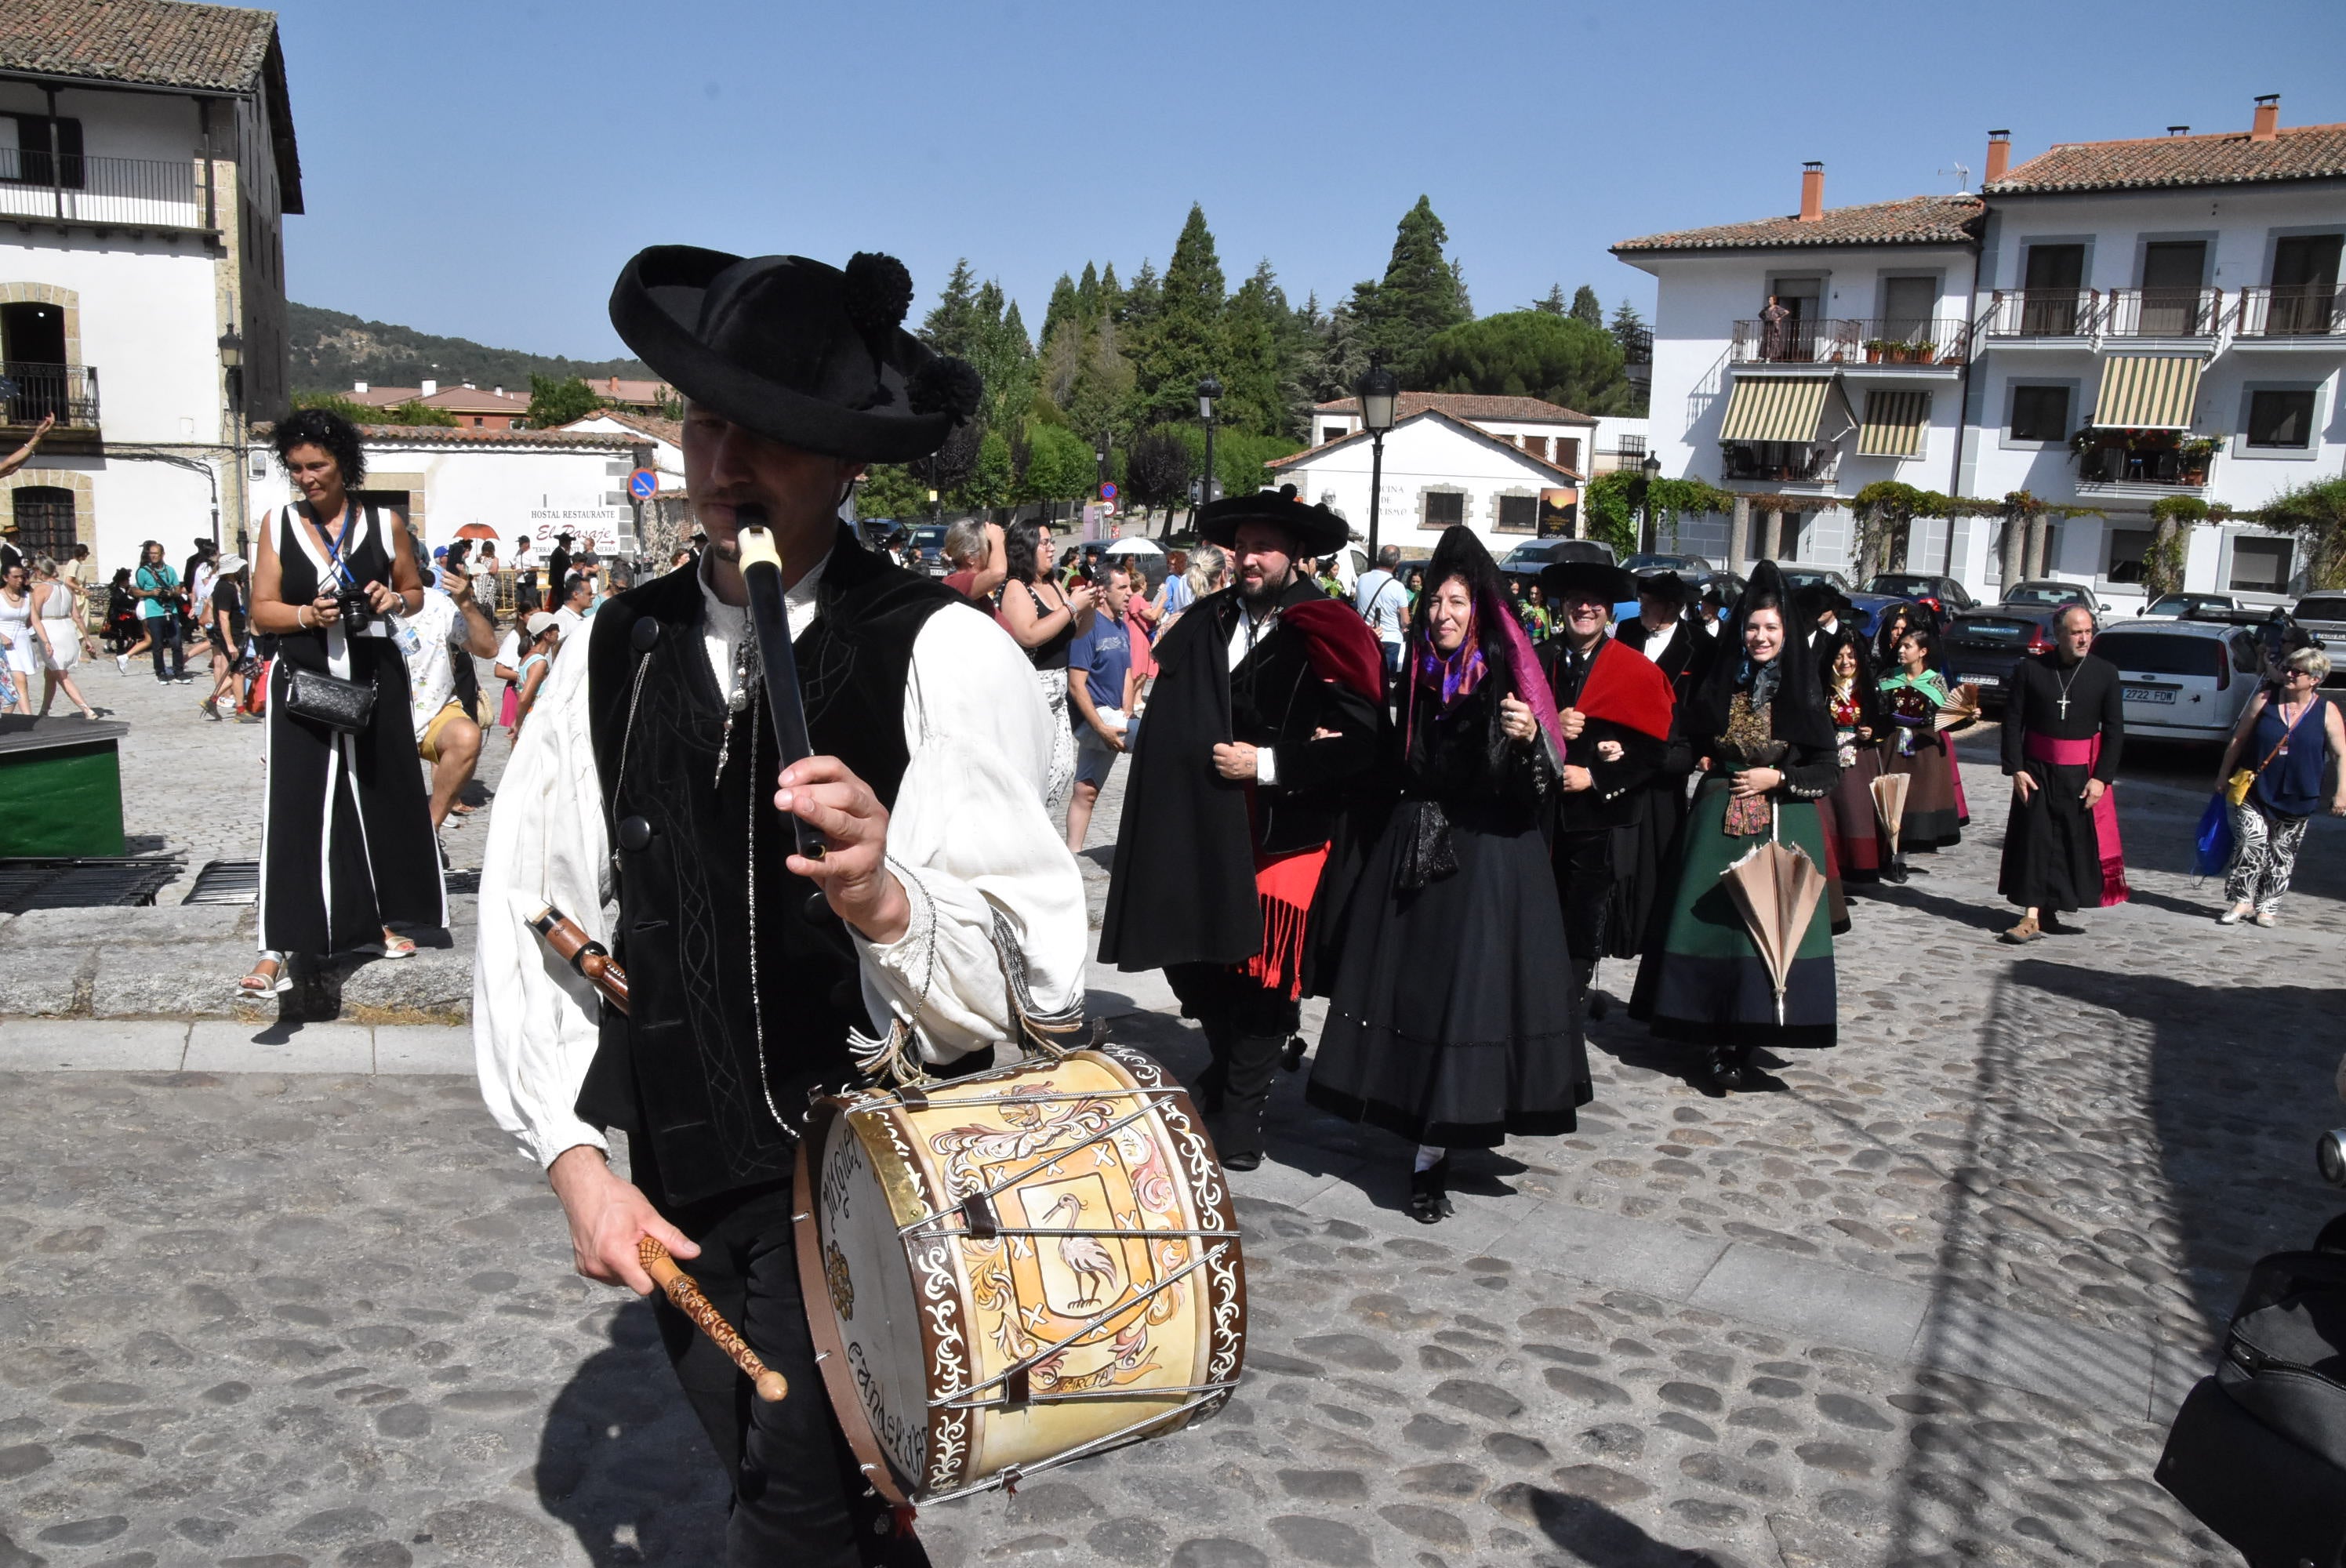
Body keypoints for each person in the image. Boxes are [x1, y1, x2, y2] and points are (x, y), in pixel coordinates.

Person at [474, 243, 1083, 1568]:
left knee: (795, 1512)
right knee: (818, 1503)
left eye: (773, 433)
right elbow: (535, 907)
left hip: (872, 1192)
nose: (725, 459)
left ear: (847, 461)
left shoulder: (943, 652)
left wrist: (887, 898)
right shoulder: (613, 645)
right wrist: (577, 1167)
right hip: (679, 1177)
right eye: (705, 420)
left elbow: (1035, 978)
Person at [1098, 485, 1382, 1171]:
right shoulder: (1211, 616)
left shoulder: (1330, 623)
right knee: (1189, 958)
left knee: (1261, 972)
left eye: (1265, 547)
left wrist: (1272, 762)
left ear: (1296, 554)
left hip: (1286, 830)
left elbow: (1368, 740)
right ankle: (1238, 1070)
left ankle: (1241, 1112)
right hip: (1202, 822)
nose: (1249, 559)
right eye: (1243, 545)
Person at [1309, 527, 1588, 1222]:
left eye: (1457, 602)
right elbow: (1388, 762)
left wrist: (1525, 745)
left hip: (1489, 863)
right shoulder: (1412, 674)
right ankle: (1413, 1126)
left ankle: (1434, 1149)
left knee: (1469, 1000)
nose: (1443, 614)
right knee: (1416, 997)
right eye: (1436, 601)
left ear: (1479, 609)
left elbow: (1536, 788)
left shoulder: (1504, 683)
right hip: (1418, 854)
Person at [242, 406, 441, 998]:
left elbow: (415, 594)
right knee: (298, 804)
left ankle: (375, 919)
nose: (306, 477)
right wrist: (306, 613)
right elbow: (261, 609)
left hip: (374, 676)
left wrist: (392, 599)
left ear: (343, 464)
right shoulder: (278, 525)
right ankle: (278, 946)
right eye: (296, 467)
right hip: (303, 678)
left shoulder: (385, 524)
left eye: (318, 465)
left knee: (380, 797)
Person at [1630, 561, 1840, 1093]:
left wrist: (1780, 777)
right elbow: (1685, 744)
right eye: (1752, 627)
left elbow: (1827, 770)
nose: (1760, 637)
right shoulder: (1717, 684)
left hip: (1781, 821)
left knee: (1763, 932)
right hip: (1716, 825)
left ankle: (1747, 1037)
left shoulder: (1803, 691)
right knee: (1717, 931)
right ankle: (1711, 1036)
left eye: (1770, 628)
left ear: (1786, 632)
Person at [1534, 559, 1674, 1027]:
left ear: (1610, 610)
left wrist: (1595, 776)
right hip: (1534, 813)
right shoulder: (1537, 660)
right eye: (1576, 601)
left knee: (1581, 914)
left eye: (1594, 602)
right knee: (1533, 908)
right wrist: (1550, 720)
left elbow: (1654, 751)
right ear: (1562, 606)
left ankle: (1564, 1005)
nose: (1585, 608)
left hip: (1596, 819)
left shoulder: (1634, 671)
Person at [1998, 605, 2126, 942]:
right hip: (2037, 771)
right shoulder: (2031, 670)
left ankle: (2050, 908)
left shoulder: (2105, 673)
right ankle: (2030, 916)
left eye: (2088, 631)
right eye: (2076, 632)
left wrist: (2102, 778)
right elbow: (2013, 722)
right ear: (2059, 635)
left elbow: (2114, 730)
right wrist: (2016, 769)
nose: (2084, 638)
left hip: (2080, 774)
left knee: (2067, 844)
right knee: (2035, 841)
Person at [2213, 645, 2344, 926]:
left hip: (2300, 792)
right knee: (2250, 843)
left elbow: (2340, 754)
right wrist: (2223, 774)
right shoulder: (2265, 700)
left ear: (2314, 679)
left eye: (2298, 671)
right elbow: (2238, 740)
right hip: (2256, 787)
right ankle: (2242, 901)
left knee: (2282, 853)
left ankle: (2268, 906)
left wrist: (2341, 791)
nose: (2289, 674)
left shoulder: (2326, 710)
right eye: (2288, 668)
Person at [998, 518, 1091, 813]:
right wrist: (1072, 606)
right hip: (1031, 691)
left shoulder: (1051, 581)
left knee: (1063, 769)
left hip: (1058, 693)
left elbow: (1075, 629)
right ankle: (1029, 839)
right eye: (1045, 543)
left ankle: (1040, 834)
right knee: (1034, 775)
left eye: (1052, 542)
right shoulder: (1016, 587)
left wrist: (1089, 605)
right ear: (1026, 548)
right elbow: (1028, 634)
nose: (1052, 549)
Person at [405, 544, 500, 831]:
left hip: (432, 710)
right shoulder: (362, 603)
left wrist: (466, 603)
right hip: (377, 715)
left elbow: (487, 648)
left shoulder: (436, 603)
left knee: (466, 736)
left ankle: (429, 827)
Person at [1876, 622, 1964, 873]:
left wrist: (1968, 716)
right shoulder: (1888, 678)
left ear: (1922, 652)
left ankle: (1899, 859)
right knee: (1889, 798)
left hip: (1923, 752)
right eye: (1901, 645)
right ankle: (1883, 854)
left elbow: (1948, 719)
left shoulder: (1935, 682)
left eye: (1907, 646)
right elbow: (1876, 711)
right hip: (1892, 746)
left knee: (1912, 803)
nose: (1901, 650)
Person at [1065, 560, 1137, 851]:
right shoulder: (1088, 625)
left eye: (1130, 586)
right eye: (1123, 587)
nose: (1130, 592)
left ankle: (1072, 855)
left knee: (1086, 790)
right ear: (1103, 592)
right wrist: (1101, 727)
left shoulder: (1121, 627)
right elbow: (1075, 684)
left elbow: (1128, 674)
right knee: (1158, 738)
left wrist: (1128, 709)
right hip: (1092, 717)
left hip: (1113, 715)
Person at [1817, 626, 1885, 887]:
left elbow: (1883, 719)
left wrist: (1872, 729)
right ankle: (1833, 868)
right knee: (1831, 813)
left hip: (1860, 756)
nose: (1845, 662)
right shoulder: (1825, 688)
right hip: (1831, 756)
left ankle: (1859, 865)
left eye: (1851, 657)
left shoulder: (1868, 688)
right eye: (1839, 657)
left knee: (1856, 812)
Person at [27, 557, 100, 720]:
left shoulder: (41, 589)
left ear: (40, 571)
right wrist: (87, 639)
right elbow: (77, 616)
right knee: (50, 673)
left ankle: (86, 708)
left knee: (61, 673)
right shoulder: (67, 588)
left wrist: (45, 640)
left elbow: (35, 617)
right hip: (67, 629)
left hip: (51, 630)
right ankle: (45, 710)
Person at [126, 540, 188, 683]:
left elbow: (178, 589)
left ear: (163, 554)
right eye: (151, 554)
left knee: (176, 642)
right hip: (154, 612)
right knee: (158, 644)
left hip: (170, 610)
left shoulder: (170, 570)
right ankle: (160, 672)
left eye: (156, 553)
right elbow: (135, 591)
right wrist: (151, 593)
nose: (153, 556)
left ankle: (179, 672)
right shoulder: (143, 572)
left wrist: (171, 593)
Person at [1353, 545, 1412, 683]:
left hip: (1368, 635)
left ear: (1380, 558)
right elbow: (1405, 621)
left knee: (1366, 679)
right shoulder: (1398, 587)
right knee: (1384, 682)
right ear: (1397, 563)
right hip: (1390, 639)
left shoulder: (1362, 579)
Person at [508, 611, 560, 733]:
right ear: (547, 635)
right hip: (535, 721)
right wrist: (518, 723)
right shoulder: (539, 662)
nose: (559, 632)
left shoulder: (528, 656)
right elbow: (525, 698)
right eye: (557, 628)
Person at [0, 560, 39, 715]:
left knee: (17, 685)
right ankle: (28, 719)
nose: (20, 580)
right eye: (15, 577)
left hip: (22, 642)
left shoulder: (26, 595)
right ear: (5, 577)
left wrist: (46, 641)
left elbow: (33, 620)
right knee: (19, 681)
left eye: (22, 577)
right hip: (5, 645)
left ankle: (9, 719)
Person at [939, 516, 1005, 602]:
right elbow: (998, 573)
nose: (993, 553)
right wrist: (997, 541)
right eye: (989, 547)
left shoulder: (971, 583)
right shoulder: (956, 583)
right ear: (970, 558)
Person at [101, 568, 137, 655]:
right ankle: (121, 649)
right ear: (122, 581)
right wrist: (130, 611)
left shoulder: (124, 591)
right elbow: (118, 607)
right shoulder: (118, 593)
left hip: (121, 615)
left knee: (119, 633)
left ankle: (123, 645)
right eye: (127, 580)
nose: (128, 582)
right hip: (117, 616)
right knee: (119, 634)